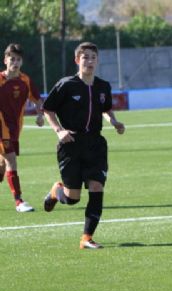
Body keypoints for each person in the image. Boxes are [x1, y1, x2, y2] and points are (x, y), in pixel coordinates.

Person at [41, 42, 125, 249]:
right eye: (85, 57)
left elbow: (106, 109)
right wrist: (59, 131)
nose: (89, 61)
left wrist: (113, 121)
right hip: (71, 144)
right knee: (72, 199)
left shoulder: (103, 86)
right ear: (77, 60)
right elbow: (48, 109)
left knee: (97, 186)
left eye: (93, 57)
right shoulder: (66, 85)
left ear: (97, 61)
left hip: (95, 144)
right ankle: (56, 192)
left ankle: (86, 237)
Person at [0, 43, 44, 212]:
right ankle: (19, 201)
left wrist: (40, 115)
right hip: (1, 127)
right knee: (12, 160)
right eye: (12, 59)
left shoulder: (25, 81)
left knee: (2, 168)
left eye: (18, 59)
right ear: (5, 60)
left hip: (14, 130)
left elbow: (38, 100)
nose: (15, 63)